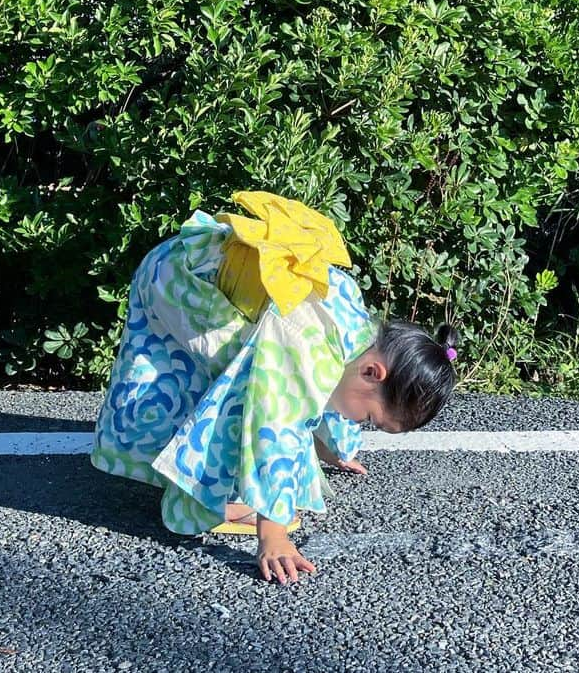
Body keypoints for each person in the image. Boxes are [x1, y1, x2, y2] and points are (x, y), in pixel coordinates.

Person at [90, 191, 457, 584]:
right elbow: (273, 426)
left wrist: (331, 446)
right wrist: (274, 535)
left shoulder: (359, 330)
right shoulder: (305, 347)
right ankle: (202, 489)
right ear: (373, 372)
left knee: (247, 376)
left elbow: (325, 395)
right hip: (179, 282)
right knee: (233, 390)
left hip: (194, 265)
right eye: (368, 418)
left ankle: (195, 468)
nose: (359, 422)